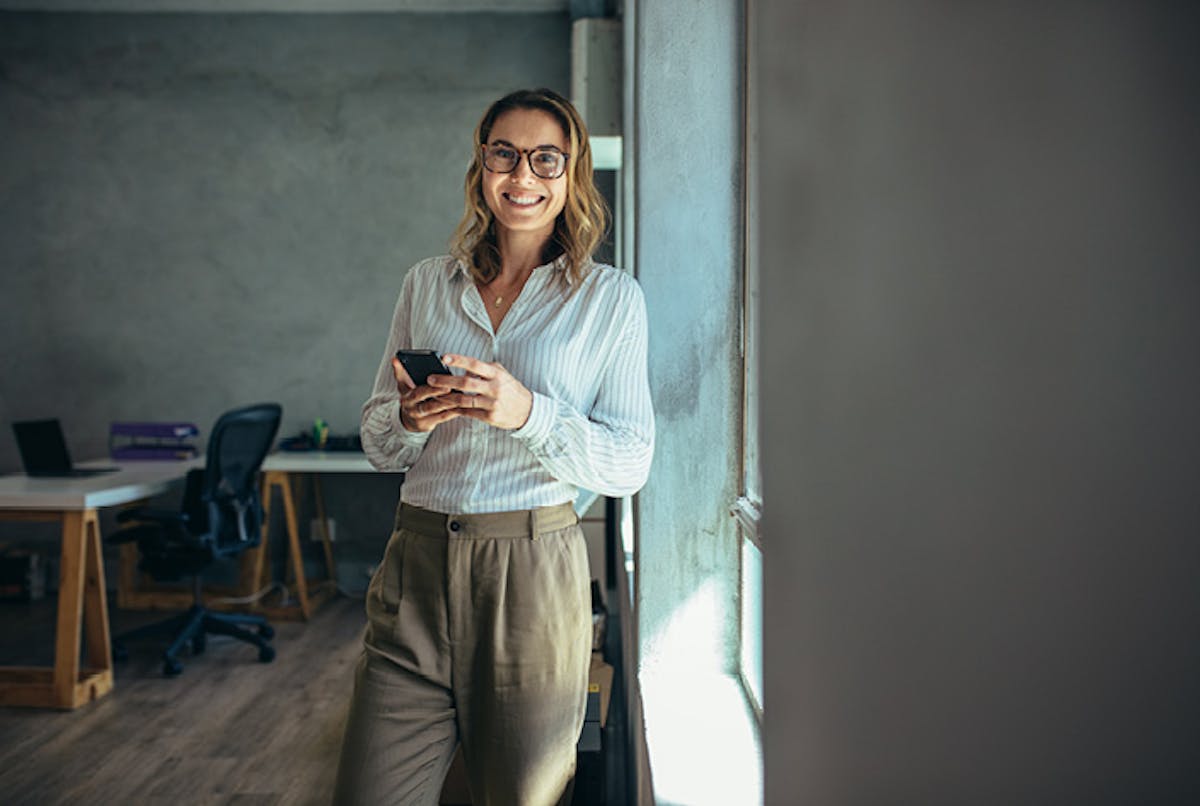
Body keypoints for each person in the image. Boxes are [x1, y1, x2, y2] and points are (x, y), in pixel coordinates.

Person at [332, 88, 654, 806]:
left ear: (572, 175)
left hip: (533, 577)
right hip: (415, 564)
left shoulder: (611, 300)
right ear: (481, 166)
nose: (522, 175)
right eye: (503, 154)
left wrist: (527, 413)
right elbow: (380, 441)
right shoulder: (427, 283)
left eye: (546, 159)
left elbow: (631, 462)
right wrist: (412, 421)